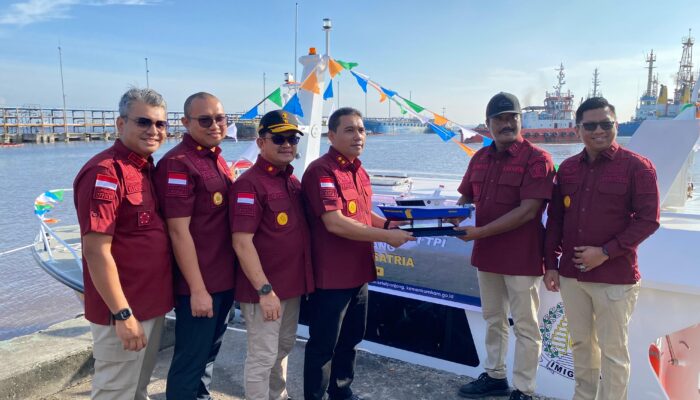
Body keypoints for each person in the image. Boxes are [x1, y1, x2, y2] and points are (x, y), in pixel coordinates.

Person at [543, 97, 660, 400]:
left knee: (613, 352)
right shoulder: (567, 169)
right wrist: (551, 264)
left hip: (614, 278)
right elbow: (556, 219)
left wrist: (605, 252)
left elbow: (649, 220)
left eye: (605, 124)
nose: (598, 131)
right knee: (581, 346)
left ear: (616, 125)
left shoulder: (638, 167)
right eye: (591, 125)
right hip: (572, 276)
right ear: (578, 129)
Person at [301, 107, 415, 400]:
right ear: (331, 135)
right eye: (350, 130)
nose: (358, 136)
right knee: (324, 345)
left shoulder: (359, 171)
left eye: (361, 130)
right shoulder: (321, 171)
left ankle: (342, 392)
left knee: (351, 339)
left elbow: (362, 214)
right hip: (332, 277)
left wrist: (388, 224)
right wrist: (387, 236)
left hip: (360, 272)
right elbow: (335, 222)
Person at [73, 87, 173, 400]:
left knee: (137, 389)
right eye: (143, 122)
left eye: (160, 124)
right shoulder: (106, 172)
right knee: (115, 392)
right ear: (120, 124)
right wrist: (122, 315)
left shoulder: (144, 169)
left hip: (150, 305)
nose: (153, 130)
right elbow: (95, 250)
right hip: (125, 310)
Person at [455, 93, 555, 400]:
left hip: (521, 257)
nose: (506, 124)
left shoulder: (537, 159)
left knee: (525, 325)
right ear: (488, 124)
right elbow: (465, 199)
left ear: (521, 121)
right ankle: (495, 375)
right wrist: (442, 219)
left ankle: (524, 389)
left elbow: (528, 211)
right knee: (493, 318)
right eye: (499, 119)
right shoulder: (479, 158)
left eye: (512, 117)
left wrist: (480, 231)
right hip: (487, 255)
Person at [153, 92, 236, 400]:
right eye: (205, 120)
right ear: (186, 122)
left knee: (208, 356)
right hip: (200, 284)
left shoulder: (215, 158)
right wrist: (198, 290)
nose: (214, 125)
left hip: (223, 279)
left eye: (220, 118)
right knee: (190, 361)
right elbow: (178, 231)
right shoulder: (178, 165)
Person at [230, 110, 315, 400]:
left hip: (290, 287)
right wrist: (264, 290)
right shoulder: (249, 184)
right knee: (262, 356)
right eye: (278, 139)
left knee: (283, 348)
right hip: (264, 290)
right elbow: (242, 242)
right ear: (261, 142)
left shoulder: (290, 181)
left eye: (292, 138)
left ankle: (278, 395)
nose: (287, 144)